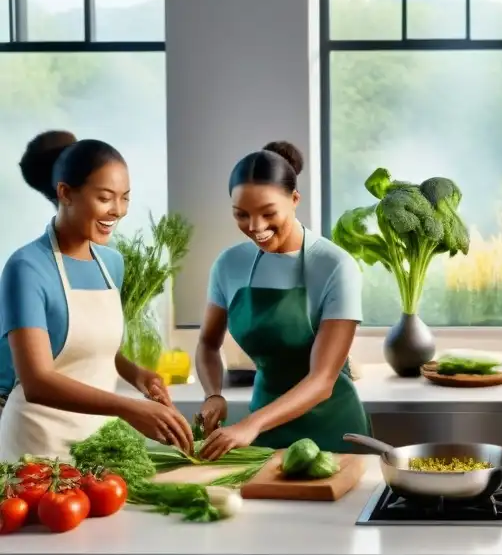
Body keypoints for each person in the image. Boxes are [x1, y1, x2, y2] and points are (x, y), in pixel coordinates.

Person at [0, 131, 193, 462]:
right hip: (35, 451)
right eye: (105, 197)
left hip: (95, 447)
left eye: (125, 198)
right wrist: (128, 408)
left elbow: (92, 350)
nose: (117, 210)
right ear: (65, 193)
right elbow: (37, 381)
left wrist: (136, 375)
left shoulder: (111, 263)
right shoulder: (26, 267)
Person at [194, 141, 370, 460]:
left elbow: (322, 380)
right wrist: (213, 395)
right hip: (262, 433)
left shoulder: (334, 265)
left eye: (268, 213)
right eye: (241, 215)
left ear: (294, 199)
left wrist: (251, 424)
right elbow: (208, 343)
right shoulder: (229, 265)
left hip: (332, 433)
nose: (255, 227)